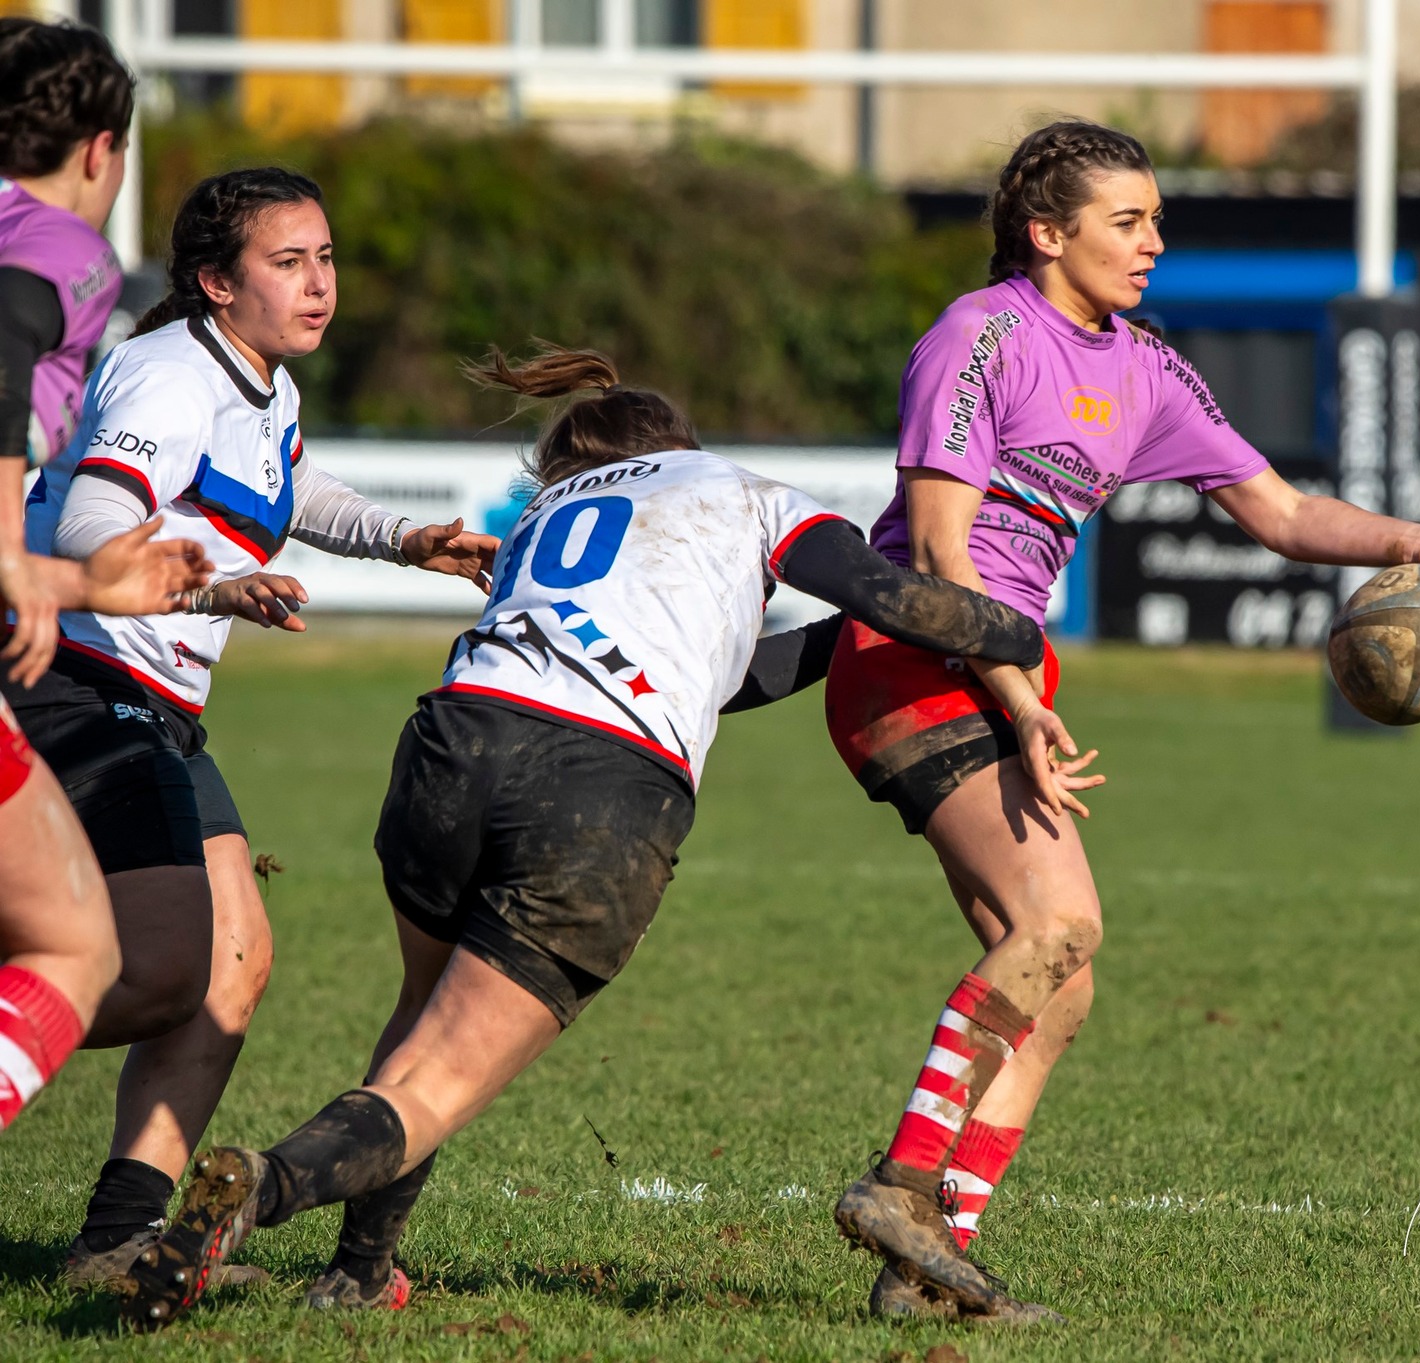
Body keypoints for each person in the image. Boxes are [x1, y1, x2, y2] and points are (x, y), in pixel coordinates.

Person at [121, 344, 1056, 1328]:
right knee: (441, 1078)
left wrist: (837, 649)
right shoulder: (739, 487)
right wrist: (1014, 636)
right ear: (678, 443)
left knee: (422, 1013)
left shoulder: (542, 516)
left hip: (452, 737)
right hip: (599, 785)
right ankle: (259, 1188)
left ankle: (359, 1270)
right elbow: (881, 592)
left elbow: (721, 681)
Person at [823, 120, 1420, 1323]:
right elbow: (941, 551)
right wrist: (1013, 693)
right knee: (1061, 922)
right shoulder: (976, 335)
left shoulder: (1144, 369)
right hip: (917, 654)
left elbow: (1281, 510)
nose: (1155, 243)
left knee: (1062, 982)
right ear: (1046, 234)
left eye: (1155, 219)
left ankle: (927, 1265)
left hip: (997, 668)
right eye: (1128, 222)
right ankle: (900, 1184)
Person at [12, 166, 496, 1286]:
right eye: (289, 264)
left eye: (326, 258)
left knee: (233, 965)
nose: (320, 285)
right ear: (217, 284)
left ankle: (115, 1238)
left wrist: (402, 539)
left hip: (156, 703)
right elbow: (92, 524)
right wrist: (210, 589)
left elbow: (292, 484)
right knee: (153, 973)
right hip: (74, 681)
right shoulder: (172, 378)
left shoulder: (257, 381)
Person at [1, 528, 212, 1131]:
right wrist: (85, 582)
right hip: (77, 693)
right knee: (78, 954)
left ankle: (123, 1217)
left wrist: (85, 584)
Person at [0, 17, 135, 686]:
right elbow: (8, 321)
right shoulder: (67, 247)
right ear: (98, 151)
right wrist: (9, 560)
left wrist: (75, 583)